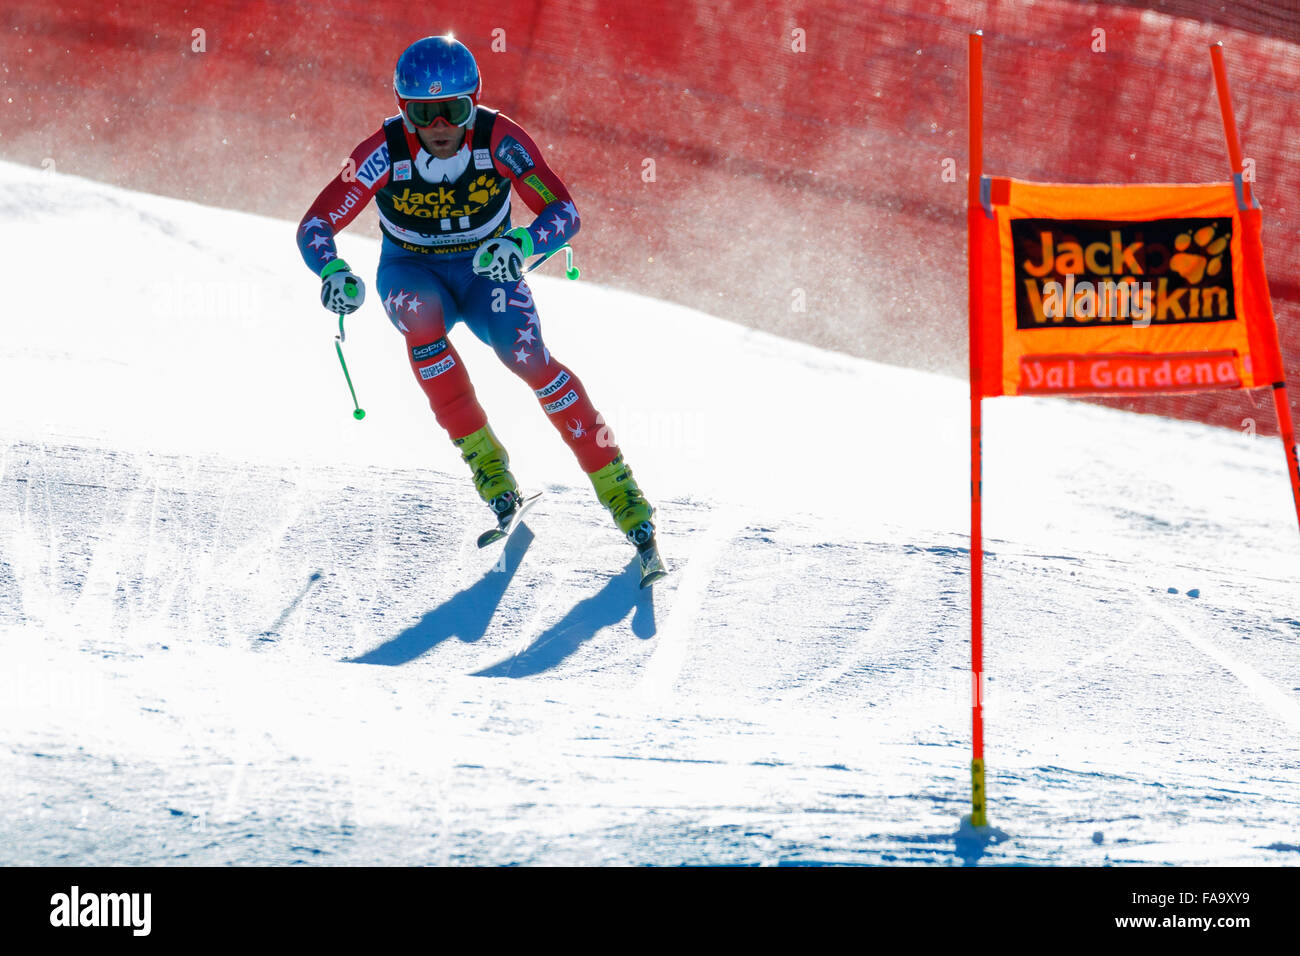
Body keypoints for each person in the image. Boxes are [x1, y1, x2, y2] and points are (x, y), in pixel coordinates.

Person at [296, 34, 660, 569]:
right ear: (403, 110)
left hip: (485, 272)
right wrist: (330, 268)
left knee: (527, 357)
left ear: (474, 104)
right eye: (424, 112)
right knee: (418, 316)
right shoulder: (385, 149)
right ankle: (488, 467)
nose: (440, 125)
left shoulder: (500, 138)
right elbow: (317, 223)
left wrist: (522, 243)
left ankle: (621, 489)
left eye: (454, 109)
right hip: (413, 271)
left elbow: (564, 211)